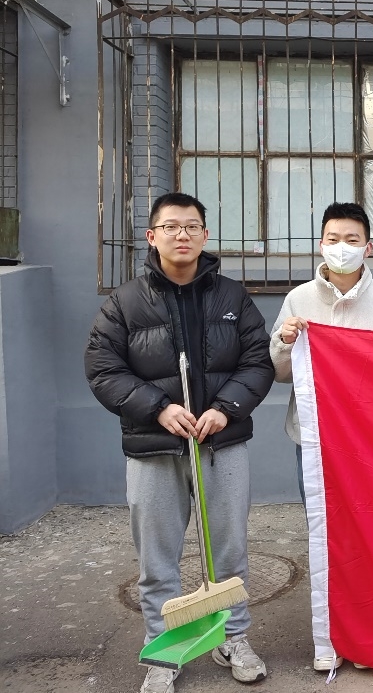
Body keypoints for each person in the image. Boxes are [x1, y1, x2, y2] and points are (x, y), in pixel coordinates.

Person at [84, 193, 275, 693]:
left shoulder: (233, 297)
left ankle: (232, 637)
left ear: (205, 235)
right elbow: (103, 369)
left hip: (221, 444)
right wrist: (158, 408)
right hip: (154, 447)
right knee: (157, 558)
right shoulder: (125, 302)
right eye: (170, 226)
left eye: (191, 226)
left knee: (229, 552)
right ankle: (164, 650)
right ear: (152, 236)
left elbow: (257, 361)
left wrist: (225, 409)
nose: (182, 234)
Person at [269, 201, 373, 672]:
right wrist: (286, 341)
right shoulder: (298, 300)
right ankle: (328, 636)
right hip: (315, 441)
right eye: (334, 239)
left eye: (352, 240)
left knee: (372, 536)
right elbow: (279, 371)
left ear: (369, 248)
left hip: (371, 443)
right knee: (324, 534)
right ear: (321, 244)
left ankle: (367, 636)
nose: (342, 247)